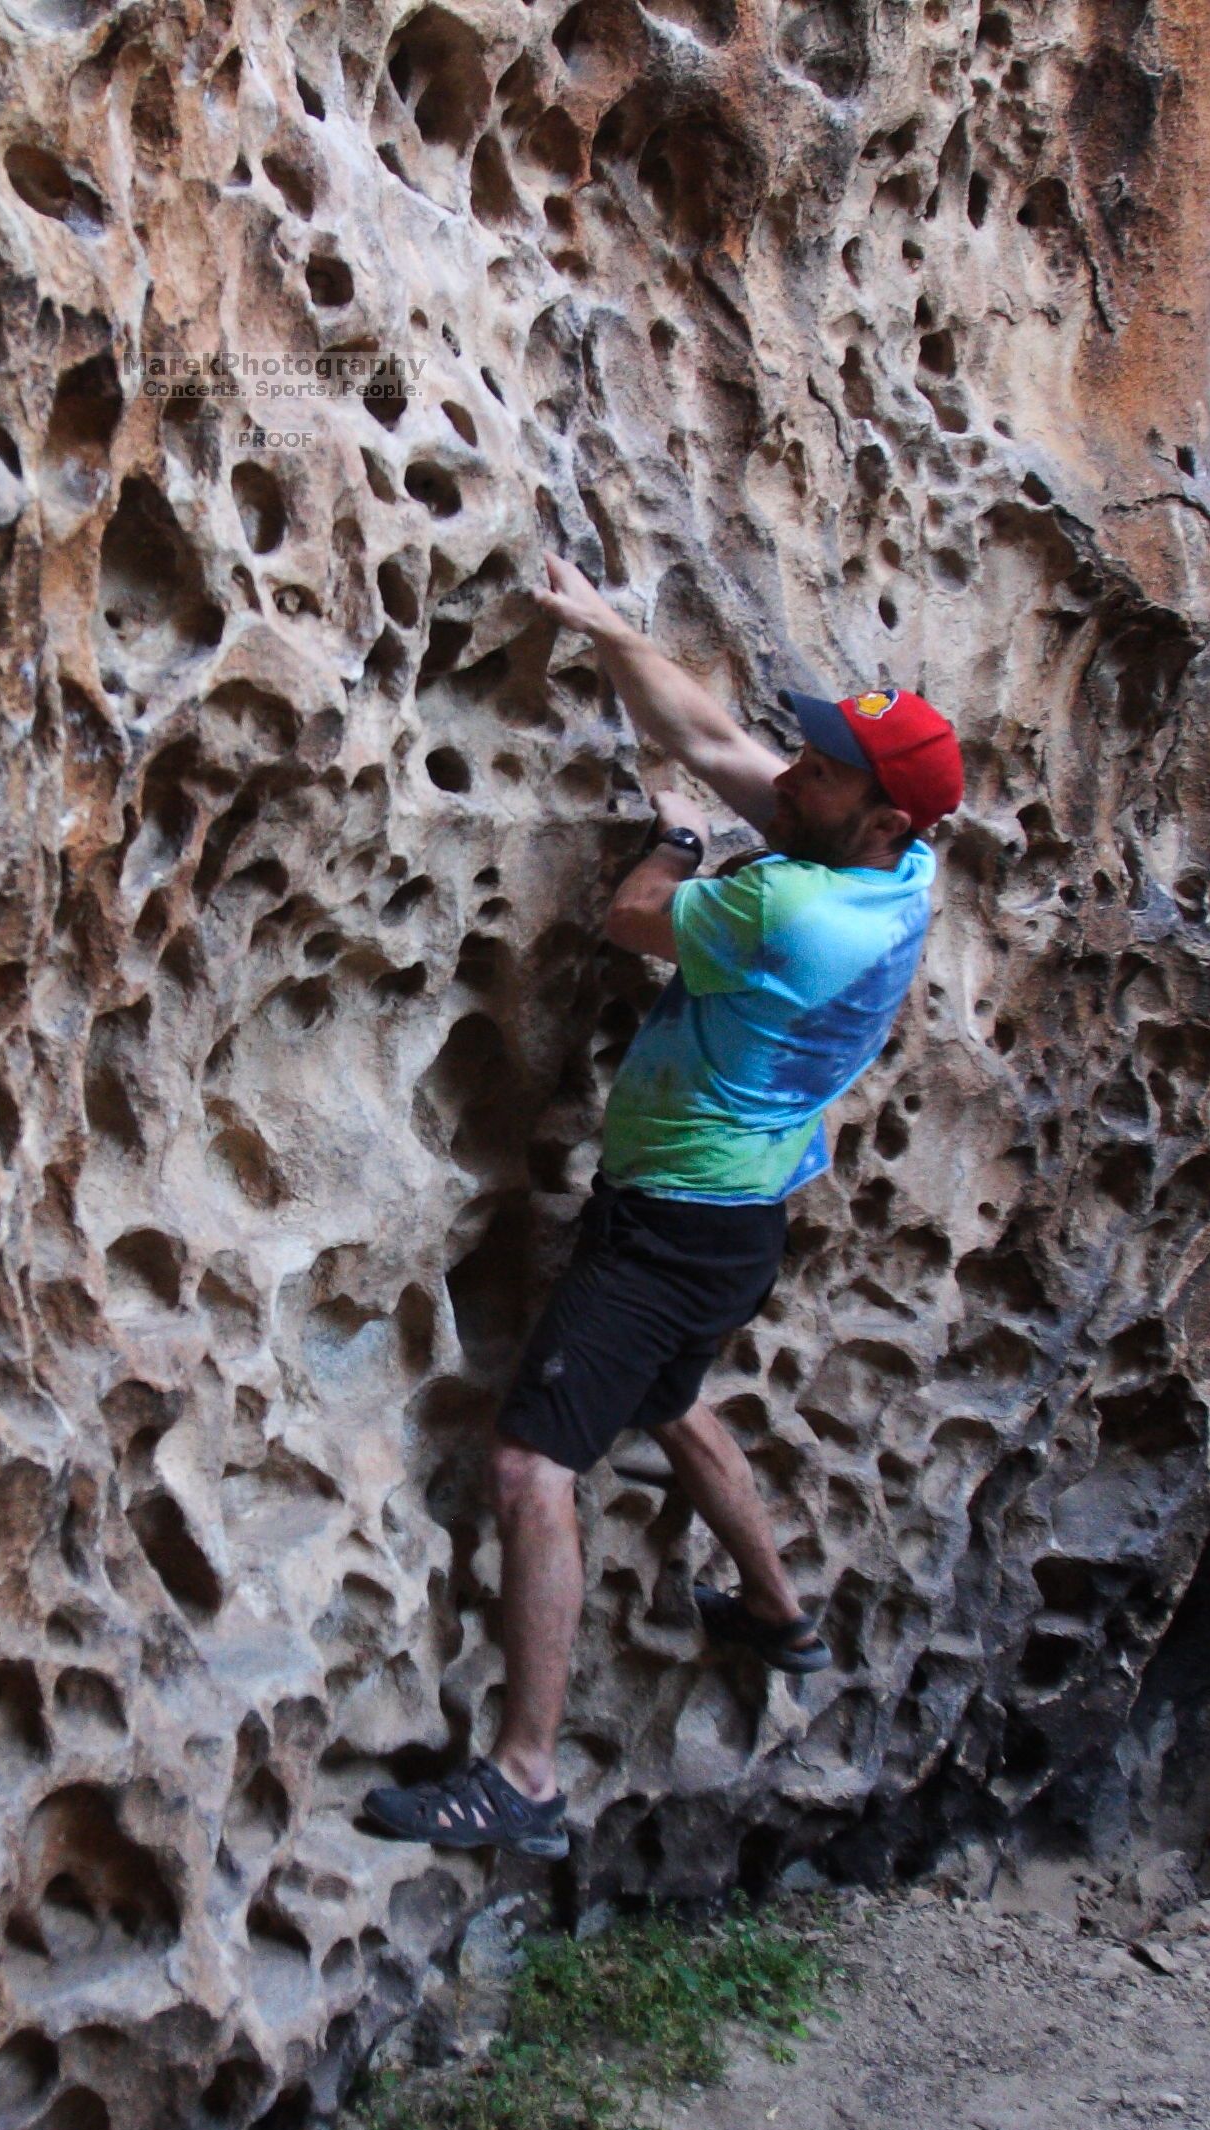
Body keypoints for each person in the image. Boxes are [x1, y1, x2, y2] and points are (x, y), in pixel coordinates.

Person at [359, 553, 962, 1858]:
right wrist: (601, 625)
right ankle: (782, 1614)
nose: (791, 772)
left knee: (533, 1465)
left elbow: (636, 912)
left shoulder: (791, 908)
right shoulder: (893, 872)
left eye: (823, 770)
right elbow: (705, 734)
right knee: (672, 1401)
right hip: (741, 1225)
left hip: (665, 1224)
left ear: (878, 819)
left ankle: (523, 1779)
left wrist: (678, 833)